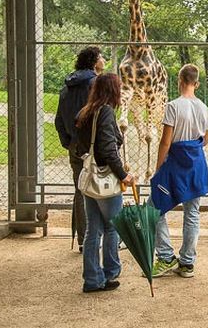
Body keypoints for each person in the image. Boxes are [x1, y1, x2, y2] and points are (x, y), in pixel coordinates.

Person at [149, 64, 208, 279]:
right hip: (195, 163)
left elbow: (166, 141)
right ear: (197, 83)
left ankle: (166, 257)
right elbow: (206, 140)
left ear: (179, 80)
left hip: (175, 162)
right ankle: (187, 263)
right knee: (192, 213)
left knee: (154, 208)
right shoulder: (203, 107)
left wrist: (158, 169)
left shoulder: (173, 106)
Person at [75, 73, 133, 293]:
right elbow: (108, 150)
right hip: (105, 180)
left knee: (93, 230)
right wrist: (123, 175)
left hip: (90, 180)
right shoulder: (106, 112)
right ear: (112, 90)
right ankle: (110, 273)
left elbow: (80, 146)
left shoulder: (86, 111)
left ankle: (92, 278)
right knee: (112, 227)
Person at [55, 46, 105, 252]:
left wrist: (69, 142)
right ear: (94, 61)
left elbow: (59, 121)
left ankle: (84, 240)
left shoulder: (66, 88)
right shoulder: (96, 85)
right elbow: (102, 116)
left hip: (75, 146)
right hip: (94, 145)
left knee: (81, 189)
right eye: (101, 57)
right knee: (102, 189)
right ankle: (99, 237)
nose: (103, 60)